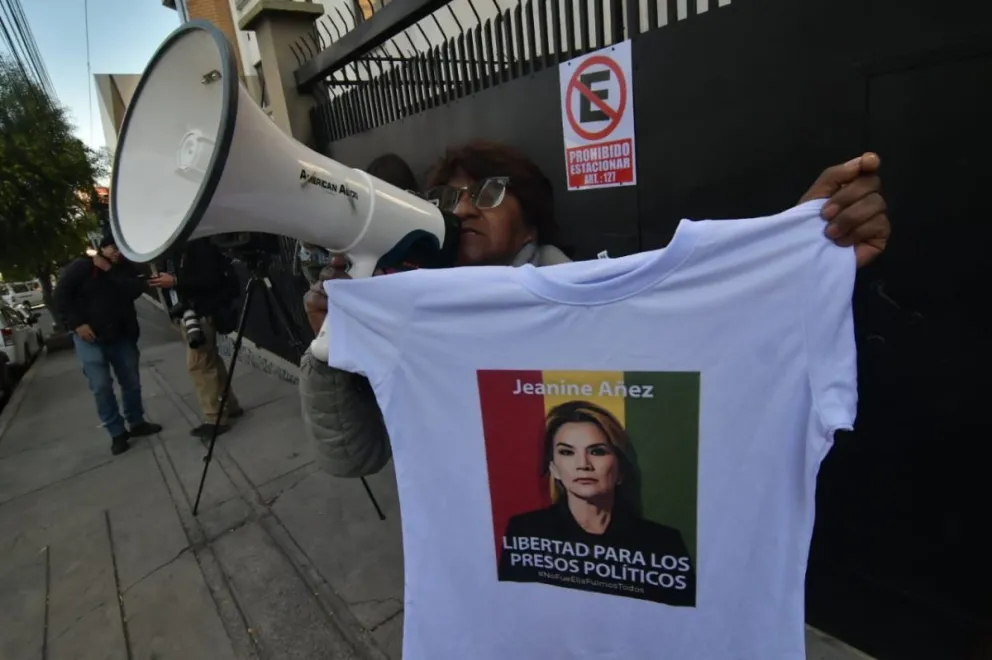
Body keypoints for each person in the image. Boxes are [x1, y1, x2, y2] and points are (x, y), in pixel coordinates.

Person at [300, 141, 891, 478]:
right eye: (450, 198)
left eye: (487, 194)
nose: (462, 211)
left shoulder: (601, 293)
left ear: (532, 214)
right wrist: (331, 351)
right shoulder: (417, 317)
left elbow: (696, 340)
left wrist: (796, 246)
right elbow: (352, 459)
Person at [497, 400, 696, 606]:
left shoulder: (664, 543)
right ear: (554, 469)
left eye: (597, 451)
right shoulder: (525, 531)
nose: (583, 465)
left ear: (621, 469)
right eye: (567, 452)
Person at [54, 234, 162, 455]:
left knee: (131, 382)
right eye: (113, 248)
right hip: (90, 338)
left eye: (120, 249)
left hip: (122, 335)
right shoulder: (81, 267)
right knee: (101, 386)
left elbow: (135, 289)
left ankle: (137, 422)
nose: (116, 252)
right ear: (102, 248)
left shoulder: (124, 268)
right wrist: (77, 324)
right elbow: (61, 295)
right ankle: (116, 432)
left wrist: (110, 270)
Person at [148, 239, 244, 438]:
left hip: (202, 313)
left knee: (199, 366)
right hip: (193, 313)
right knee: (211, 362)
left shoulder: (197, 247)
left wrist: (175, 281)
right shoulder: (181, 250)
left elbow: (210, 280)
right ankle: (230, 406)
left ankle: (214, 417)